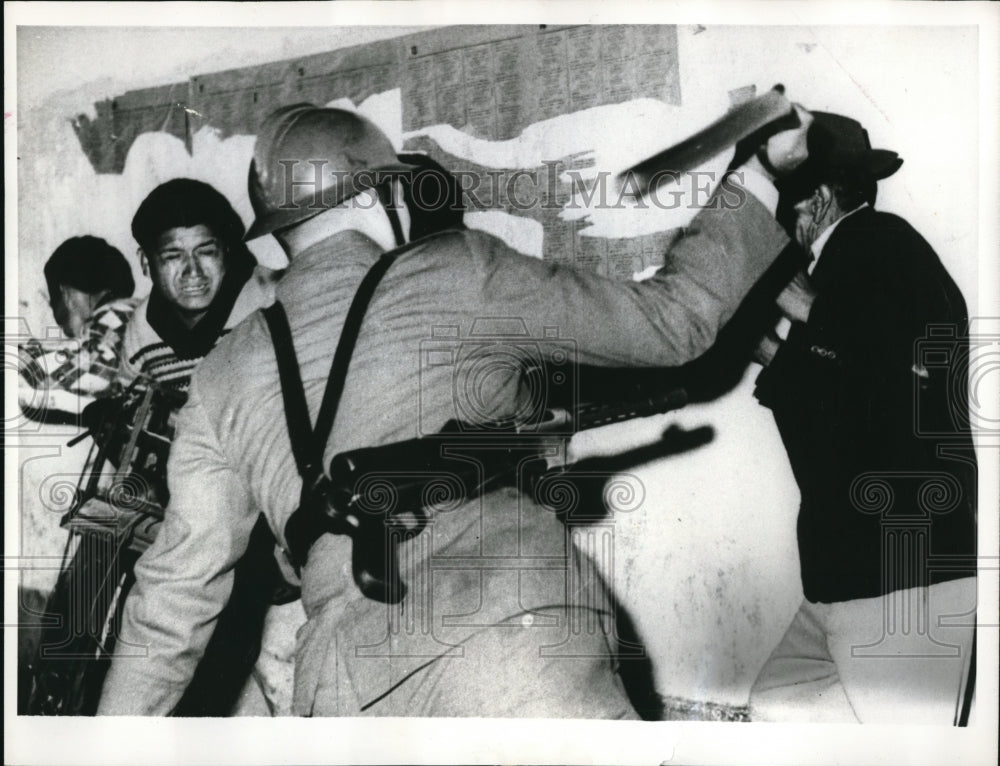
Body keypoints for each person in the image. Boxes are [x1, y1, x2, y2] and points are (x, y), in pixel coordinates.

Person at [98, 101, 812, 717]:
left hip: (342, 688)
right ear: (376, 196)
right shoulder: (456, 270)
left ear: (279, 229)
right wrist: (759, 172)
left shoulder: (223, 372)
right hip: (508, 636)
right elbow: (676, 321)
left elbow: (169, 606)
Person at [749, 112, 977, 724]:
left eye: (783, 206)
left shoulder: (882, 243)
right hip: (846, 574)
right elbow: (843, 379)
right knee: (777, 711)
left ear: (819, 199)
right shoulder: (846, 264)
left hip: (903, 576)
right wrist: (758, 337)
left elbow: (904, 357)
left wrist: (778, 283)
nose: (777, 225)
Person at [19, 236, 138, 421]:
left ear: (66, 294)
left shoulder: (114, 315)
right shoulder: (130, 313)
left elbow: (86, 377)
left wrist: (18, 355)